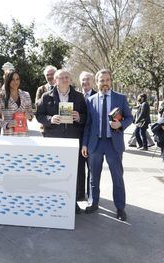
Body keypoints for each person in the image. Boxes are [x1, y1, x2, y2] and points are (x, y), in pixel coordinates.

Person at [81, 69, 133, 221]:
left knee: (117, 177)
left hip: (113, 144)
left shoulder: (120, 98)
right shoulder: (91, 100)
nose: (105, 83)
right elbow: (88, 125)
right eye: (101, 81)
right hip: (95, 144)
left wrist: (121, 124)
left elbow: (130, 117)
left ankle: (120, 208)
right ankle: (93, 202)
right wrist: (85, 144)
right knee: (93, 176)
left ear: (111, 81)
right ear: (96, 83)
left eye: (107, 80)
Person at [36, 69, 87, 213]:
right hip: (54, 140)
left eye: (67, 77)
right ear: (55, 80)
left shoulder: (78, 97)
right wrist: (50, 119)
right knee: (54, 171)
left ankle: (73, 202)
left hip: (72, 139)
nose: (64, 80)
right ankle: (53, 200)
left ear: (70, 80)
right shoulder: (46, 97)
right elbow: (39, 115)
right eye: (61, 78)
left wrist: (79, 117)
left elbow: (87, 116)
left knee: (73, 172)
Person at [0, 70, 33, 136]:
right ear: (7, 81)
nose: (15, 82)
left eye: (17, 79)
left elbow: (31, 114)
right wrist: (7, 124)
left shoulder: (26, 95)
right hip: (8, 135)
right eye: (12, 79)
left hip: (23, 135)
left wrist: (29, 116)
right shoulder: (0, 96)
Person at [77, 71, 97, 201]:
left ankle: (91, 195)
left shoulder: (98, 96)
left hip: (92, 139)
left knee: (92, 169)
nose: (85, 83)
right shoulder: (77, 96)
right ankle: (79, 194)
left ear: (93, 81)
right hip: (78, 136)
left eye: (88, 80)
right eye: (83, 80)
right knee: (79, 168)